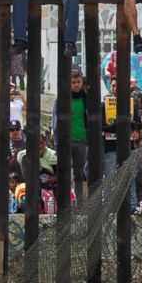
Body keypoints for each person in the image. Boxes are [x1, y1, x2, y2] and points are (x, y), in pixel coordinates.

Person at [51, 66, 91, 198]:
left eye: (78, 82)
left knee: (79, 173)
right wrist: (57, 143)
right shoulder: (62, 98)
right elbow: (56, 121)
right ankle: (65, 201)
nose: (76, 85)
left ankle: (79, 201)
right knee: (65, 172)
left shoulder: (86, 98)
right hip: (66, 140)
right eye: (73, 83)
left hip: (82, 140)